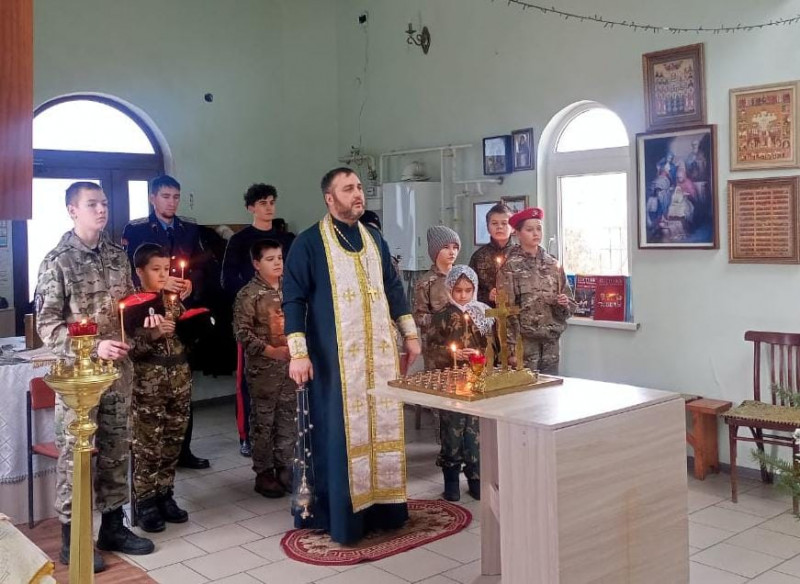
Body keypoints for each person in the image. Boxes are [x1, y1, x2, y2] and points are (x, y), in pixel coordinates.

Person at [283, 167, 421, 544]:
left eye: (359, 187)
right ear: (330, 199)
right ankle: (342, 517)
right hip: (335, 361)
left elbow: (392, 287)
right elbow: (293, 298)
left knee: (383, 427)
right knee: (339, 434)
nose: (358, 193)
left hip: (379, 358)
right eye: (348, 189)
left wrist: (410, 334)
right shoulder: (309, 243)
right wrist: (298, 353)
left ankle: (385, 510)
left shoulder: (374, 238)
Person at [35, 181, 155, 573]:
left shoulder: (117, 255)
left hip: (117, 374)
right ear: (73, 210)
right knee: (77, 457)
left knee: (118, 450)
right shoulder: (58, 261)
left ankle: (113, 528)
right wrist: (93, 347)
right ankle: (73, 539)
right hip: (79, 382)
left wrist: (144, 319)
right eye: (92, 204)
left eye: (104, 203)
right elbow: (47, 325)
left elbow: (127, 308)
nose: (102, 209)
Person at [121, 174, 209, 471]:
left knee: (182, 382)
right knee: (152, 391)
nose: (172, 202)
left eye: (176, 197)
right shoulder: (137, 229)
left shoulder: (189, 228)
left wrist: (191, 284)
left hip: (180, 311)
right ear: (153, 198)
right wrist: (158, 283)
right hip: (149, 310)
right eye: (166, 196)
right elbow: (130, 269)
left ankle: (183, 449)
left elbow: (201, 264)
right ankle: (150, 456)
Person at [222, 183, 295, 457]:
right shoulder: (240, 241)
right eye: (263, 203)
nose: (269, 207)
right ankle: (248, 436)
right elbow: (228, 279)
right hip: (254, 320)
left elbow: (296, 274)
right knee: (249, 382)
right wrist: (254, 301)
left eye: (272, 202)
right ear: (251, 207)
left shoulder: (286, 239)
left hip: (285, 317)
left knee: (288, 379)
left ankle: (285, 434)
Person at [233, 239, 295, 499]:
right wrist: (271, 351)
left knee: (288, 418)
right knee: (264, 421)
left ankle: (285, 466)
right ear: (257, 264)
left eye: (279, 258)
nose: (277, 263)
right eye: (270, 259)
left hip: (290, 367)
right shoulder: (249, 294)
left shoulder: (291, 288)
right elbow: (242, 333)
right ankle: (264, 471)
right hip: (264, 371)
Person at [427, 265, 493, 501]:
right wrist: (452, 354)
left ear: (474, 290)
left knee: (475, 433)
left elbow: (491, 346)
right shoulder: (442, 315)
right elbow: (431, 348)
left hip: (476, 381)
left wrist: (478, 354)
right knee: (452, 431)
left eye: (468, 290)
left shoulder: (482, 313)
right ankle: (451, 479)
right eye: (458, 290)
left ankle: (475, 477)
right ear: (449, 289)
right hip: (451, 383)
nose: (463, 296)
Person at [499, 207, 576, 374]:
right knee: (526, 388)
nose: (536, 233)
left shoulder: (553, 264)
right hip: (524, 344)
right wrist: (510, 348)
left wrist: (563, 303)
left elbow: (570, 303)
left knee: (551, 386)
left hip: (550, 342)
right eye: (529, 229)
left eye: (539, 229)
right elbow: (505, 311)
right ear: (518, 233)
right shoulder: (510, 266)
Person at [413, 225, 461, 366]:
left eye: (455, 247)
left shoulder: (463, 277)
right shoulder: (426, 282)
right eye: (446, 247)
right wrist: (441, 319)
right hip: (437, 347)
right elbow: (418, 316)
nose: (452, 252)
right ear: (435, 251)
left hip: (462, 341)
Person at [468, 202, 516, 307]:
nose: (499, 227)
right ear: (488, 227)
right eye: (494, 223)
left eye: (504, 223)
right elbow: (468, 289)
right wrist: (487, 296)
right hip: (488, 311)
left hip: (516, 312)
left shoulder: (520, 254)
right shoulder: (479, 256)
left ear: (513, 228)